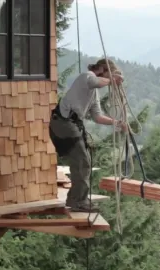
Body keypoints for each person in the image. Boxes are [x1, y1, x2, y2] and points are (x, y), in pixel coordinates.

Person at [49, 59, 126, 212]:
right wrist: (112, 80)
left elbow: (97, 116)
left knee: (83, 161)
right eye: (107, 74)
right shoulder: (87, 77)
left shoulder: (93, 93)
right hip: (64, 122)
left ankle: (76, 199)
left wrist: (116, 122)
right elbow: (94, 81)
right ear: (102, 69)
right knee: (82, 161)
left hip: (69, 123)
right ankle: (79, 201)